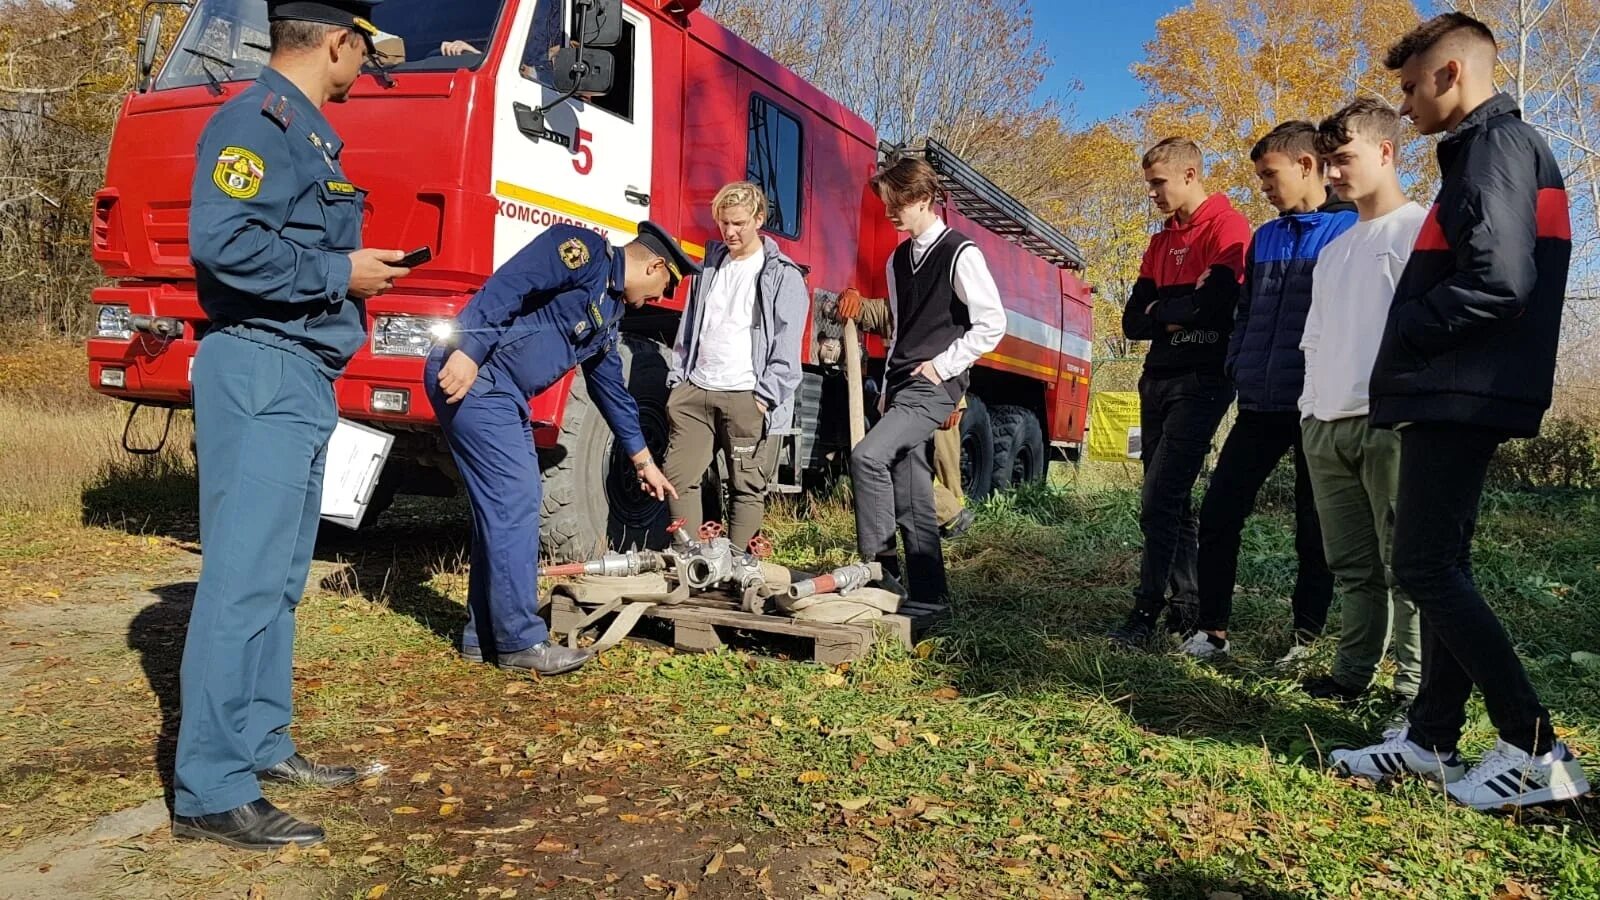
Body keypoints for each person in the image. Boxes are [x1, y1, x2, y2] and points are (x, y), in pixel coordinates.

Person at [1331, 13, 1590, 810]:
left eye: (1411, 88)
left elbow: (1500, 281)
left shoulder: (1494, 148)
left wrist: (1404, 329)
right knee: (1441, 564)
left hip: (1463, 385)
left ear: (1450, 74)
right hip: (1462, 385)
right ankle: (1432, 740)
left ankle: (1537, 750)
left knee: (1424, 567)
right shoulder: (1490, 152)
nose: (1405, 108)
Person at [173, 0, 411, 851]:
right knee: (240, 580)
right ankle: (210, 786)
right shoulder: (258, 121)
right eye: (364, 53)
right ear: (341, 41)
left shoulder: (307, 132)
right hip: (262, 366)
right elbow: (223, 243)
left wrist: (338, 275)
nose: (367, 70)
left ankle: (262, 744)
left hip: (302, 370)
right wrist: (340, 270)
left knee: (276, 579)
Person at [426, 222, 688, 677]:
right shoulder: (583, 252)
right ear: (655, 265)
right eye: (661, 288)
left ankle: (483, 634)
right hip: (477, 377)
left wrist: (642, 459)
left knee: (506, 507)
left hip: (503, 394)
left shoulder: (609, 311)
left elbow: (611, 391)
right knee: (516, 501)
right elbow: (511, 282)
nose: (654, 300)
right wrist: (469, 348)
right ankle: (520, 641)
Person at [1181, 122, 1351, 661]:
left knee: (1313, 525)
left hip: (1317, 405)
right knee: (1220, 512)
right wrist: (1238, 364)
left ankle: (1306, 640)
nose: (1263, 186)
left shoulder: (1349, 231)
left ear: (1306, 165)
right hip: (1258, 401)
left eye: (1269, 175)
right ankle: (1212, 632)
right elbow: (1248, 310)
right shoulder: (1265, 237)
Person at [1291, 99, 1424, 705]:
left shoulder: (1420, 231)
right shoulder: (1336, 247)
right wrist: (1310, 411)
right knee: (1352, 564)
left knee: (1409, 565)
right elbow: (1314, 335)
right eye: (1327, 162)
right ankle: (1351, 673)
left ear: (1386, 151)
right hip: (1326, 426)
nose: (1334, 174)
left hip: (1391, 424)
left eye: (1344, 159)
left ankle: (1413, 687)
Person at [1111, 138, 1251, 648]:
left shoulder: (1228, 226)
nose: (1151, 193)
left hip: (1203, 381)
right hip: (1157, 378)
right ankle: (1187, 603)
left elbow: (1215, 306)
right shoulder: (1157, 242)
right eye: (1149, 183)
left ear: (1190, 174)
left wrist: (1166, 311)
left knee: (1160, 498)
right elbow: (1131, 321)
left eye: (1158, 183)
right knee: (1171, 498)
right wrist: (1175, 309)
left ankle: (1144, 613)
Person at [851, 157, 1004, 605]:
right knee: (912, 484)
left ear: (921, 197)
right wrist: (885, 390)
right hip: (900, 383)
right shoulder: (897, 259)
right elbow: (899, 329)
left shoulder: (962, 252)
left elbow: (992, 324)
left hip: (935, 384)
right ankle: (930, 597)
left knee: (868, 458)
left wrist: (944, 366)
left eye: (895, 203)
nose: (889, 213)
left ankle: (879, 575)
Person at [664, 182, 808, 550]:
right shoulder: (710, 265)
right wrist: (677, 381)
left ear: (759, 219)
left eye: (740, 223)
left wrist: (763, 399)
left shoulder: (782, 275)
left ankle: (739, 568)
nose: (730, 231)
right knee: (679, 477)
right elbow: (690, 323)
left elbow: (788, 346)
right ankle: (691, 562)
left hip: (747, 395)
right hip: (696, 390)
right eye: (724, 223)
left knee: (745, 486)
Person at [836, 288, 976, 539]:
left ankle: (953, 524)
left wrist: (956, 402)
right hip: (907, 403)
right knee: (905, 464)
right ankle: (949, 520)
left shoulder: (945, 310)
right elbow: (873, 311)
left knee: (944, 466)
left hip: (941, 399)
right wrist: (851, 297)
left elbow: (964, 353)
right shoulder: (902, 306)